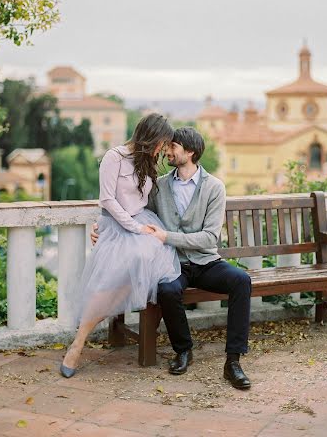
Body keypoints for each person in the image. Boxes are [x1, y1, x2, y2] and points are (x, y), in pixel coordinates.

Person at [91, 127, 252, 389]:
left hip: (205, 261)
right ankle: (183, 350)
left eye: (173, 146)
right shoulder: (160, 185)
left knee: (241, 281)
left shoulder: (214, 188)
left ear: (190, 152)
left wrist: (168, 237)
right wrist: (102, 227)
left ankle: (233, 361)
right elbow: (135, 214)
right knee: (167, 289)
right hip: (172, 263)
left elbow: (210, 238)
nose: (167, 150)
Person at [60, 113, 181, 378]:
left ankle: (121, 328)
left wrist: (143, 227)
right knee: (105, 284)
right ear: (149, 137)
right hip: (118, 227)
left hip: (139, 225)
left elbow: (142, 201)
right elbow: (108, 200)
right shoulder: (114, 157)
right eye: (161, 143)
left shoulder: (147, 162)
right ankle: (78, 343)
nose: (162, 149)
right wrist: (113, 227)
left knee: (143, 262)